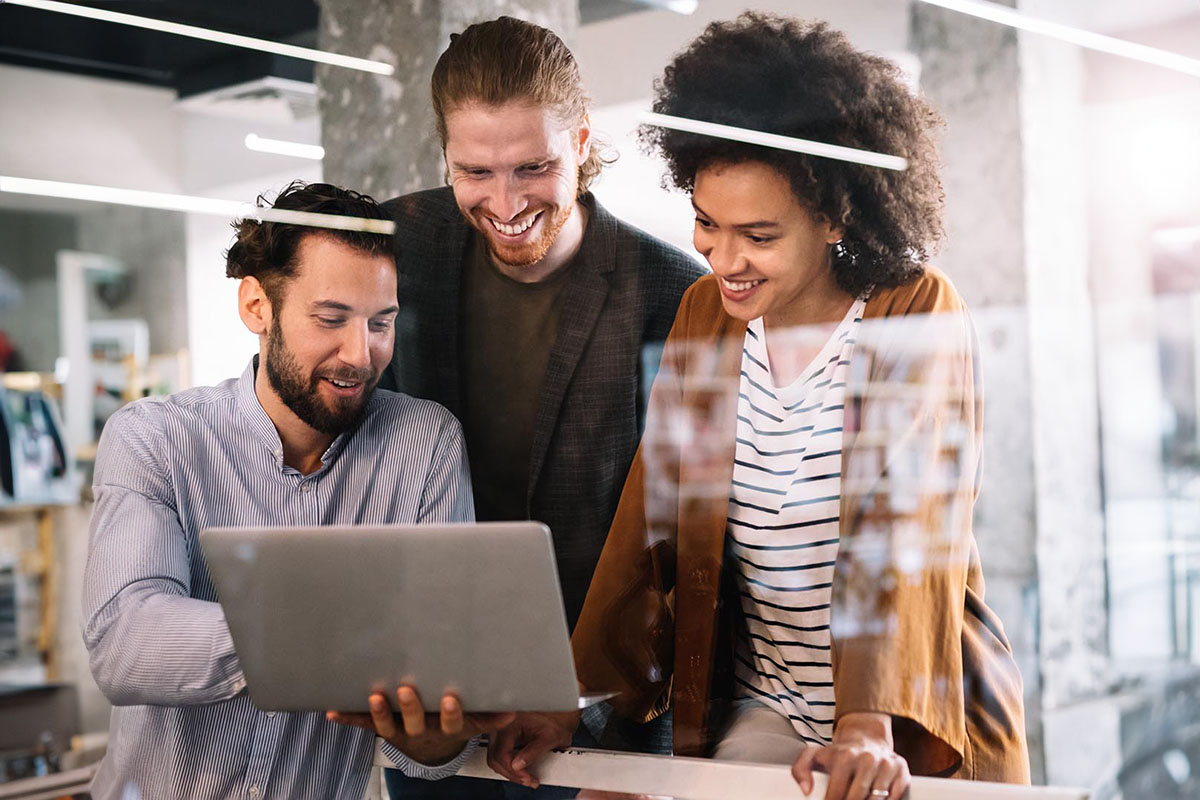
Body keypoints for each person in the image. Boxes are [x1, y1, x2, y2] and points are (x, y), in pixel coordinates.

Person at [490, 14, 1031, 800]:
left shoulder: (912, 307)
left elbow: (901, 524)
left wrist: (867, 719)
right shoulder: (704, 316)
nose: (723, 258)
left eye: (759, 235)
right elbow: (653, 518)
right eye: (707, 223)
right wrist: (569, 702)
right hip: (768, 709)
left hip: (905, 722)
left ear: (837, 215)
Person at [82, 182, 512, 800]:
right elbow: (126, 643)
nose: (360, 355)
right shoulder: (154, 439)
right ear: (257, 306)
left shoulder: (427, 446)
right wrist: (332, 627)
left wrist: (439, 733)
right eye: (331, 319)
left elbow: (425, 745)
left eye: (381, 323)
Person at [382, 15, 705, 800]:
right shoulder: (393, 245)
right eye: (475, 173)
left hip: (601, 723)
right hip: (436, 711)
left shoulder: (671, 291)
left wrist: (588, 693)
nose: (504, 202)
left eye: (533, 167)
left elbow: (685, 539)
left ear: (583, 140)